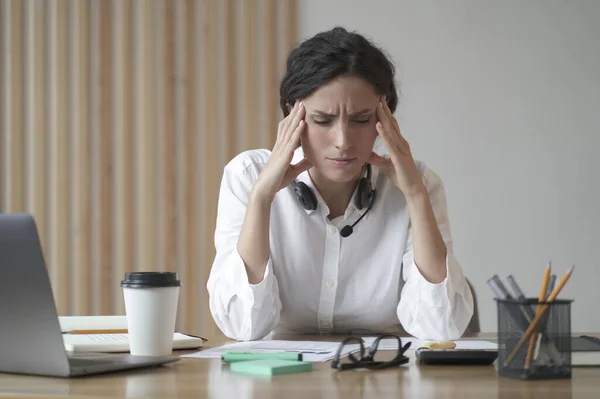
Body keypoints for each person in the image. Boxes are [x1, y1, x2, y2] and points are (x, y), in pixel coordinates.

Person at [206, 27, 474, 342]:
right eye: (322, 121)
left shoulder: (419, 184)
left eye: (361, 120)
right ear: (293, 116)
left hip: (383, 375)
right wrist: (262, 198)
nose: (343, 142)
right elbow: (242, 326)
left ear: (384, 120)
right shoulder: (248, 176)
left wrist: (415, 196)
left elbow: (442, 328)